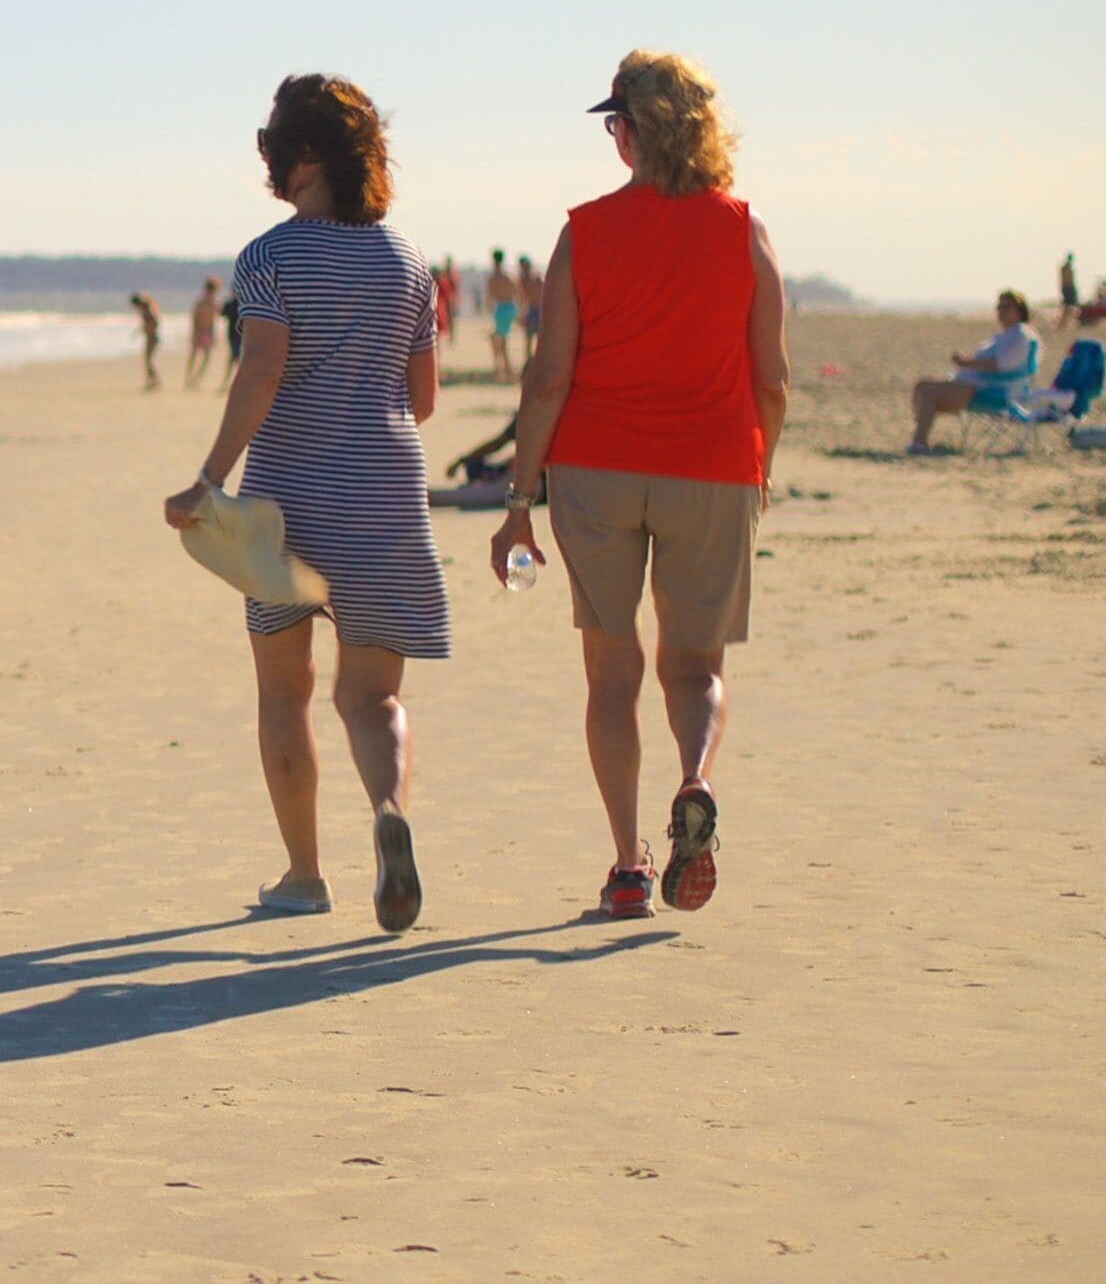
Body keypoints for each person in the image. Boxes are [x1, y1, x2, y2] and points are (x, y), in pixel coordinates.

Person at [487, 54, 788, 919]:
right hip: (713, 465)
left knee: (610, 675)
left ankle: (626, 868)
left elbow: (548, 379)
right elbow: (772, 377)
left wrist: (518, 504)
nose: (612, 137)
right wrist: (759, 468)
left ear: (633, 131)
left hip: (596, 470)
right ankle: (694, 779)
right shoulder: (743, 230)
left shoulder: (585, 230)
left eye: (613, 123)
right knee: (692, 667)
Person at [163, 75, 444, 933]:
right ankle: (388, 810)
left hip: (290, 506)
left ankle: (304, 876)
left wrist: (210, 479)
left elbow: (263, 370)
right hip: (390, 497)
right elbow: (422, 398)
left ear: (302, 157)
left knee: (284, 694)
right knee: (374, 700)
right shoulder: (409, 262)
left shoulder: (270, 257)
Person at [904, 291, 1037, 452]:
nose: (1001, 311)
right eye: (999, 307)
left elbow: (1002, 366)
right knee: (922, 386)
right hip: (975, 384)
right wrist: (966, 364)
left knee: (929, 394)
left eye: (1007, 307)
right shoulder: (1002, 336)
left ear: (1019, 310)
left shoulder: (1020, 335)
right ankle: (920, 437)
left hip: (994, 391)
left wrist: (967, 363)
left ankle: (919, 441)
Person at [483, 248, 522, 379]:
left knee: (498, 339)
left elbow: (489, 298)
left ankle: (501, 369)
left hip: (501, 308)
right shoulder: (508, 275)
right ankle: (504, 368)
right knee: (500, 339)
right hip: (510, 307)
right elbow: (518, 291)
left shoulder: (493, 277)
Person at [184, 276, 222, 388]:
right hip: (200, 330)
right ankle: (189, 378)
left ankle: (196, 379)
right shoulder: (201, 302)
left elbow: (215, 319)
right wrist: (194, 332)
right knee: (194, 355)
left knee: (205, 357)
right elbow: (194, 319)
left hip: (208, 331)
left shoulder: (214, 303)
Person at [131, 293, 164, 390]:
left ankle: (154, 381)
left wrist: (148, 329)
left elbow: (155, 322)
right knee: (147, 360)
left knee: (148, 360)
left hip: (152, 337)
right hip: (151, 337)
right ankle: (151, 381)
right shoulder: (146, 310)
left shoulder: (148, 310)